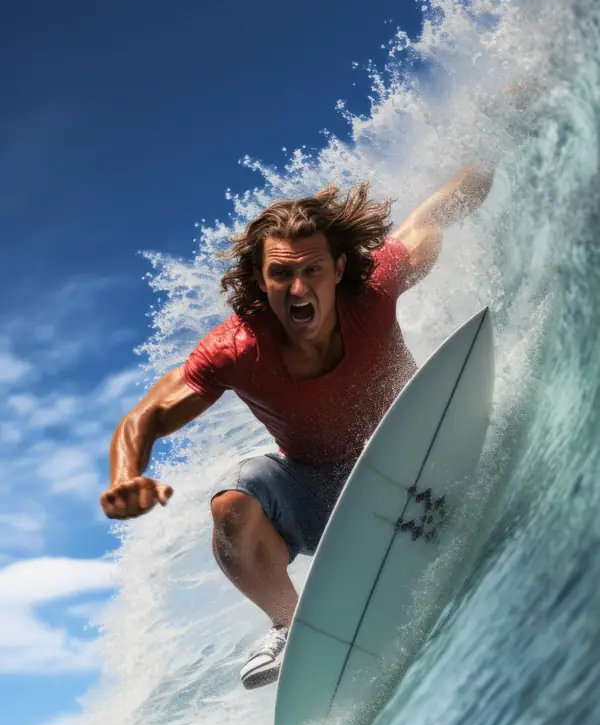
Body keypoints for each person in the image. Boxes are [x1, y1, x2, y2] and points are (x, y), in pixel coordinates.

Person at [101, 165, 493, 689]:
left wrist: (485, 159)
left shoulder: (374, 289)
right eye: (281, 274)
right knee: (232, 506)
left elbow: (429, 221)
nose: (299, 287)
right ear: (260, 279)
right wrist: (125, 475)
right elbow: (145, 417)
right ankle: (293, 628)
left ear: (338, 268)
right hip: (319, 491)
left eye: (312, 269)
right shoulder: (236, 349)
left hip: (415, 441)